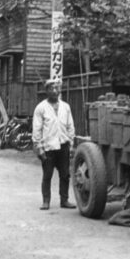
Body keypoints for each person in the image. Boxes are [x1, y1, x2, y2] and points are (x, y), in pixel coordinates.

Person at [32, 79, 76, 210]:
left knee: (65, 174)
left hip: (63, 145)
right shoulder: (41, 108)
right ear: (47, 91)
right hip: (48, 147)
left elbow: (70, 126)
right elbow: (37, 129)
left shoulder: (66, 107)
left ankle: (64, 200)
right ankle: (46, 201)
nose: (55, 91)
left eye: (57, 88)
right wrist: (39, 148)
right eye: (51, 88)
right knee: (47, 175)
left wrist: (71, 143)